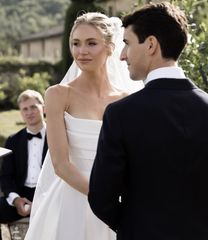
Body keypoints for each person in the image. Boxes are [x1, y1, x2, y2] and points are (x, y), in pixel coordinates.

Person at [88, 2, 208, 240]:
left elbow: (100, 196)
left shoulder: (121, 113)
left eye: (127, 43)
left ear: (150, 44)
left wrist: (133, 227)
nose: (122, 55)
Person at [25, 12, 142, 240]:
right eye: (76, 43)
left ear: (110, 47)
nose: (82, 51)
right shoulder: (58, 94)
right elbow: (60, 164)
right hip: (71, 201)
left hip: (117, 203)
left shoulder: (127, 99)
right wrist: (103, 198)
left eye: (91, 43)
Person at [0, 90, 48, 237]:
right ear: (21, 112)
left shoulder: (57, 136)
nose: (29, 112)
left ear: (44, 108)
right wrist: (16, 200)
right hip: (22, 195)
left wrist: (42, 201)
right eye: (25, 109)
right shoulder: (12, 140)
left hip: (49, 194)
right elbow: (5, 176)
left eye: (33, 107)